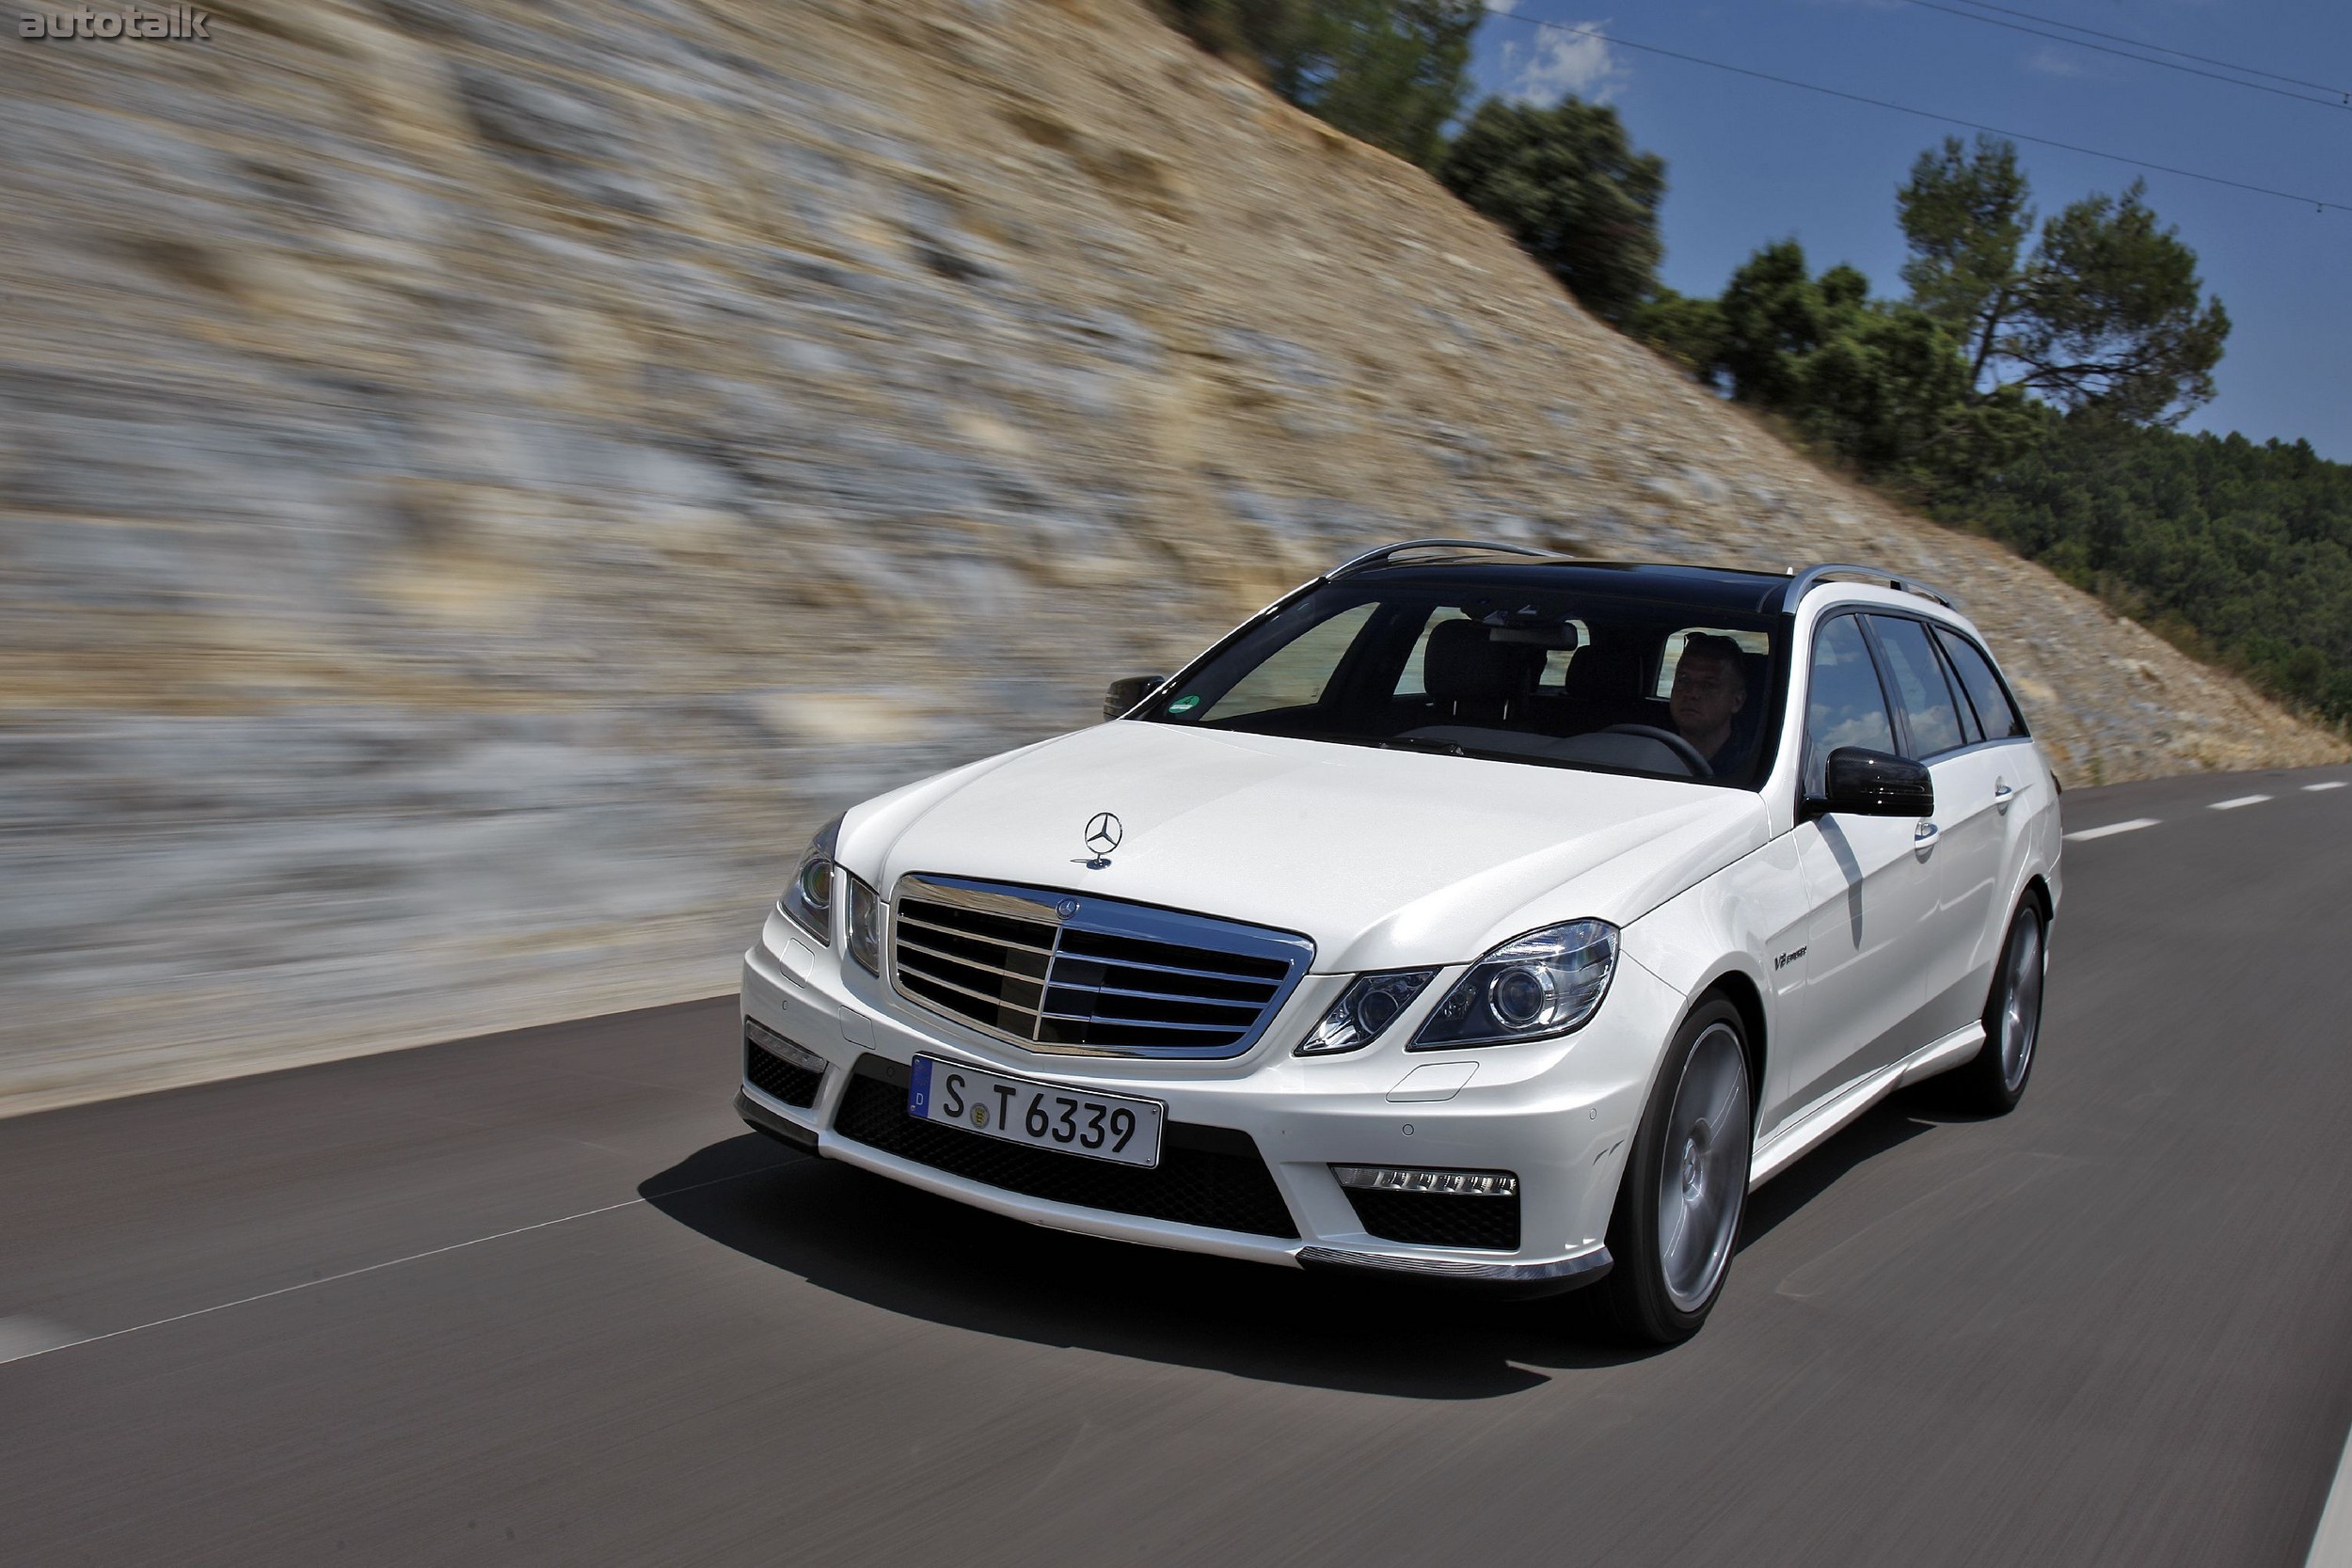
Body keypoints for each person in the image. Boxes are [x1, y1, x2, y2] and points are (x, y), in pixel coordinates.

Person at [1668, 634, 1750, 772]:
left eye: (1708, 685)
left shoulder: (1754, 770)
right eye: (1683, 680)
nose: (1692, 693)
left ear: (1737, 701)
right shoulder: (1645, 749)